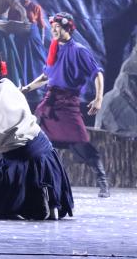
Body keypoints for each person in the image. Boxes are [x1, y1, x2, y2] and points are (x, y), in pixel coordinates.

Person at [0, 44, 74, 220]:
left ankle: (32, 201)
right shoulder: (7, 85)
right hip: (46, 153)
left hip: (21, 162)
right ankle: (43, 195)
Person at [21, 12, 109, 197]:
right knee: (38, 142)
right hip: (49, 104)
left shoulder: (79, 50)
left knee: (80, 142)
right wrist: (27, 88)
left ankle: (102, 181)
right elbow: (46, 76)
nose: (53, 30)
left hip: (67, 103)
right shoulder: (54, 49)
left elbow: (97, 73)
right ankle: (37, 182)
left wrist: (99, 98)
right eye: (52, 27)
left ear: (68, 28)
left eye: (57, 27)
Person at [14, 0, 47, 92]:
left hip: (33, 40)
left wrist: (41, 41)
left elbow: (41, 26)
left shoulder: (35, 7)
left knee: (37, 62)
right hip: (19, 39)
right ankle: (23, 87)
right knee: (21, 62)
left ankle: (38, 88)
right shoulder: (14, 7)